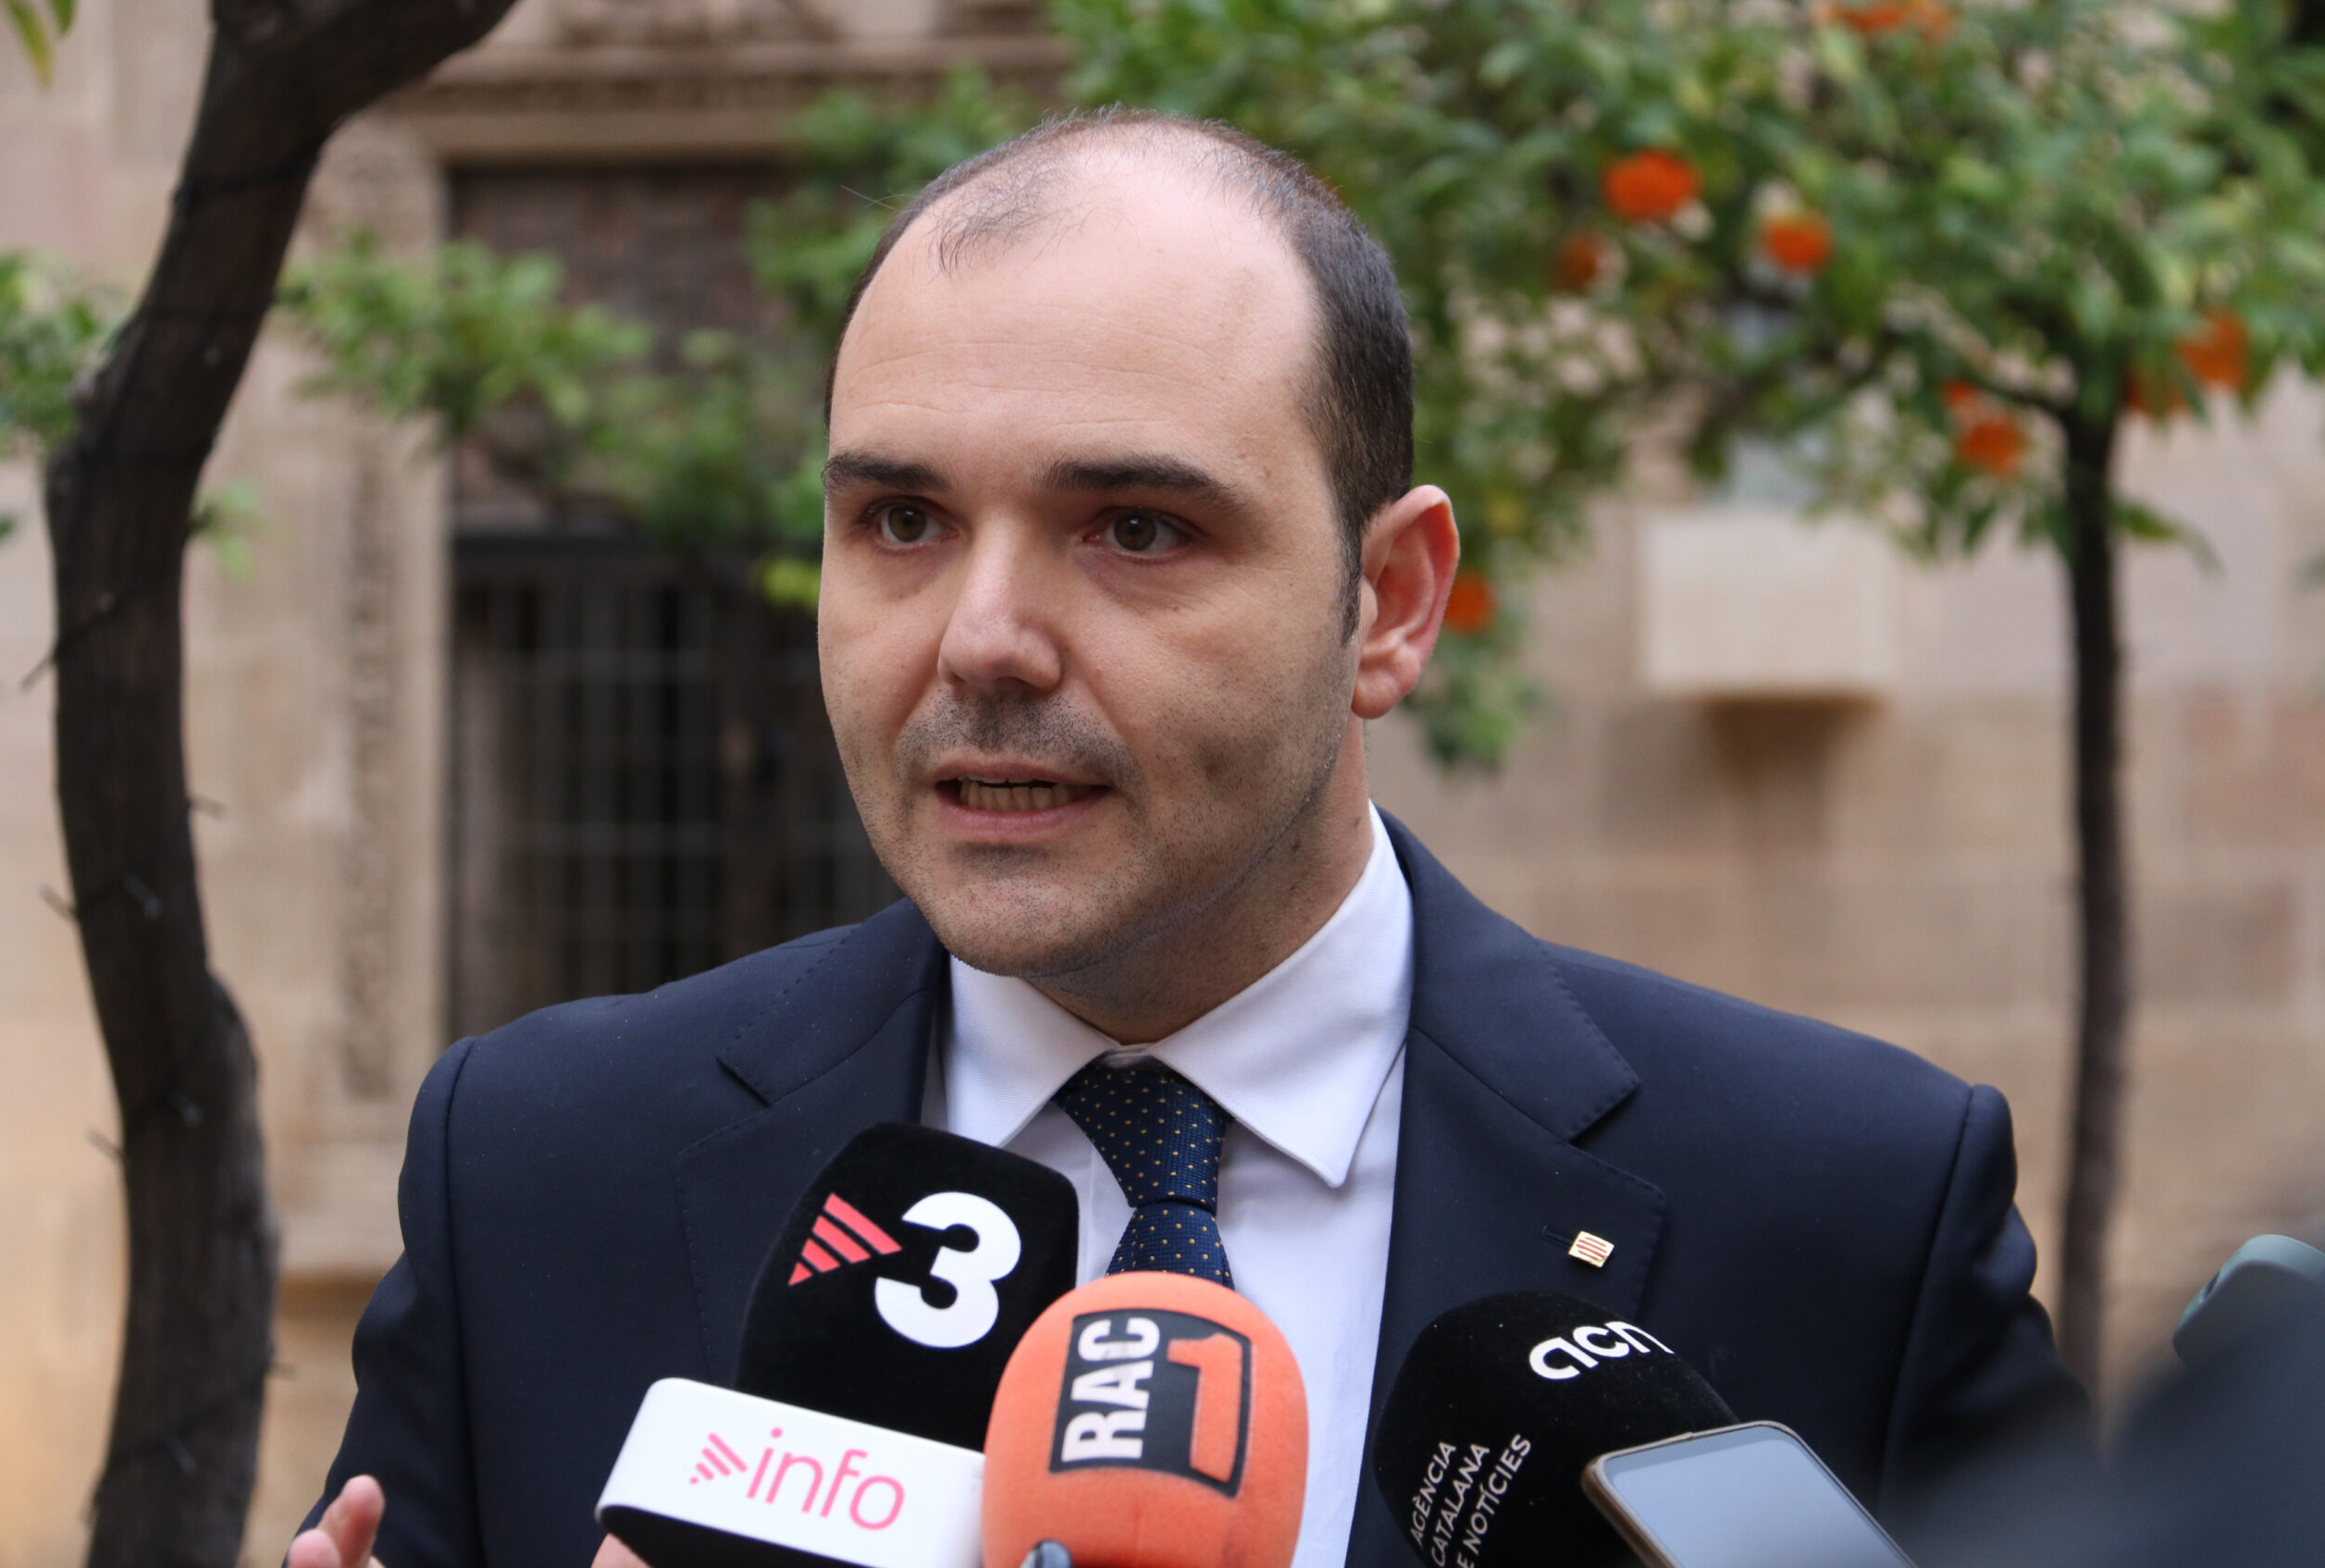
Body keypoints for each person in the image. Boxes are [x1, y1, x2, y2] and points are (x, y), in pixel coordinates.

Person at [292, 110, 2084, 1568]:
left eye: (1134, 528)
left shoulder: (1843, 1206)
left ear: (1389, 602)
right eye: (901, 518)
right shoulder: (538, 1173)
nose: (982, 640)